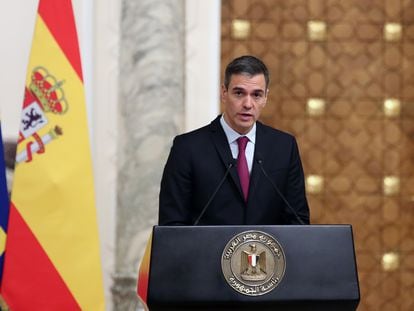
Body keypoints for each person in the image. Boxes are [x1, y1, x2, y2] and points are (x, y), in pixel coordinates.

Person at [158, 55, 309, 225]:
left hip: (266, 251)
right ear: (224, 93)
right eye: (239, 93)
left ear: (266, 97)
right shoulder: (187, 148)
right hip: (207, 251)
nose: (247, 104)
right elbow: (172, 224)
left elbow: (298, 222)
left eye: (256, 95)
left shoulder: (284, 147)